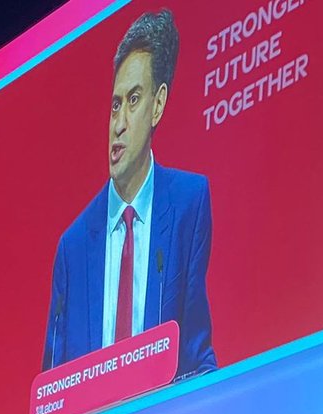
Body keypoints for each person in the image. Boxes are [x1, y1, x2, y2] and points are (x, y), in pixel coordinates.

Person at [43, 9, 217, 379]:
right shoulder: (73, 247)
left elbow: (199, 357)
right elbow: (52, 389)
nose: (119, 124)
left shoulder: (189, 204)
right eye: (115, 104)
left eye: (134, 100)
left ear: (158, 104)